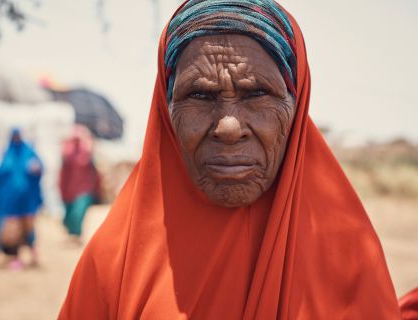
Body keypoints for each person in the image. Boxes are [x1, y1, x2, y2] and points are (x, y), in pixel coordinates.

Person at [59, 1, 404, 318]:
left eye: (257, 93)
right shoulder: (113, 263)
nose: (228, 126)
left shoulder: (349, 259)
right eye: (199, 94)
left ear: (296, 106)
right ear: (165, 111)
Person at [0, 128, 43, 270]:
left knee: (28, 228)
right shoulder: (7, 156)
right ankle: (15, 257)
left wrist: (36, 169)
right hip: (10, 203)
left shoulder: (29, 153)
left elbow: (39, 168)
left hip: (26, 202)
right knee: (12, 231)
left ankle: (33, 254)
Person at [59, 125, 100, 243]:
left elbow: (94, 172)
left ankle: (76, 235)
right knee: (70, 213)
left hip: (84, 189)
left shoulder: (88, 154)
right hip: (69, 189)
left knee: (79, 211)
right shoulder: (67, 155)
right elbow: (63, 173)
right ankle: (72, 234)